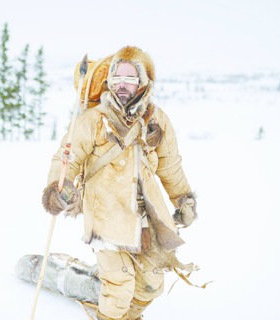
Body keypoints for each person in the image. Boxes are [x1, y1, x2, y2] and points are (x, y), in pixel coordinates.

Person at [42, 46, 198, 320]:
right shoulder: (92, 120)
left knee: (151, 285)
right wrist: (60, 187)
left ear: (144, 80)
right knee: (119, 290)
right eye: (116, 77)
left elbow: (170, 164)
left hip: (147, 219)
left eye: (129, 77)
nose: (121, 84)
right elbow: (67, 157)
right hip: (106, 216)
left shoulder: (157, 120)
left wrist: (183, 198)